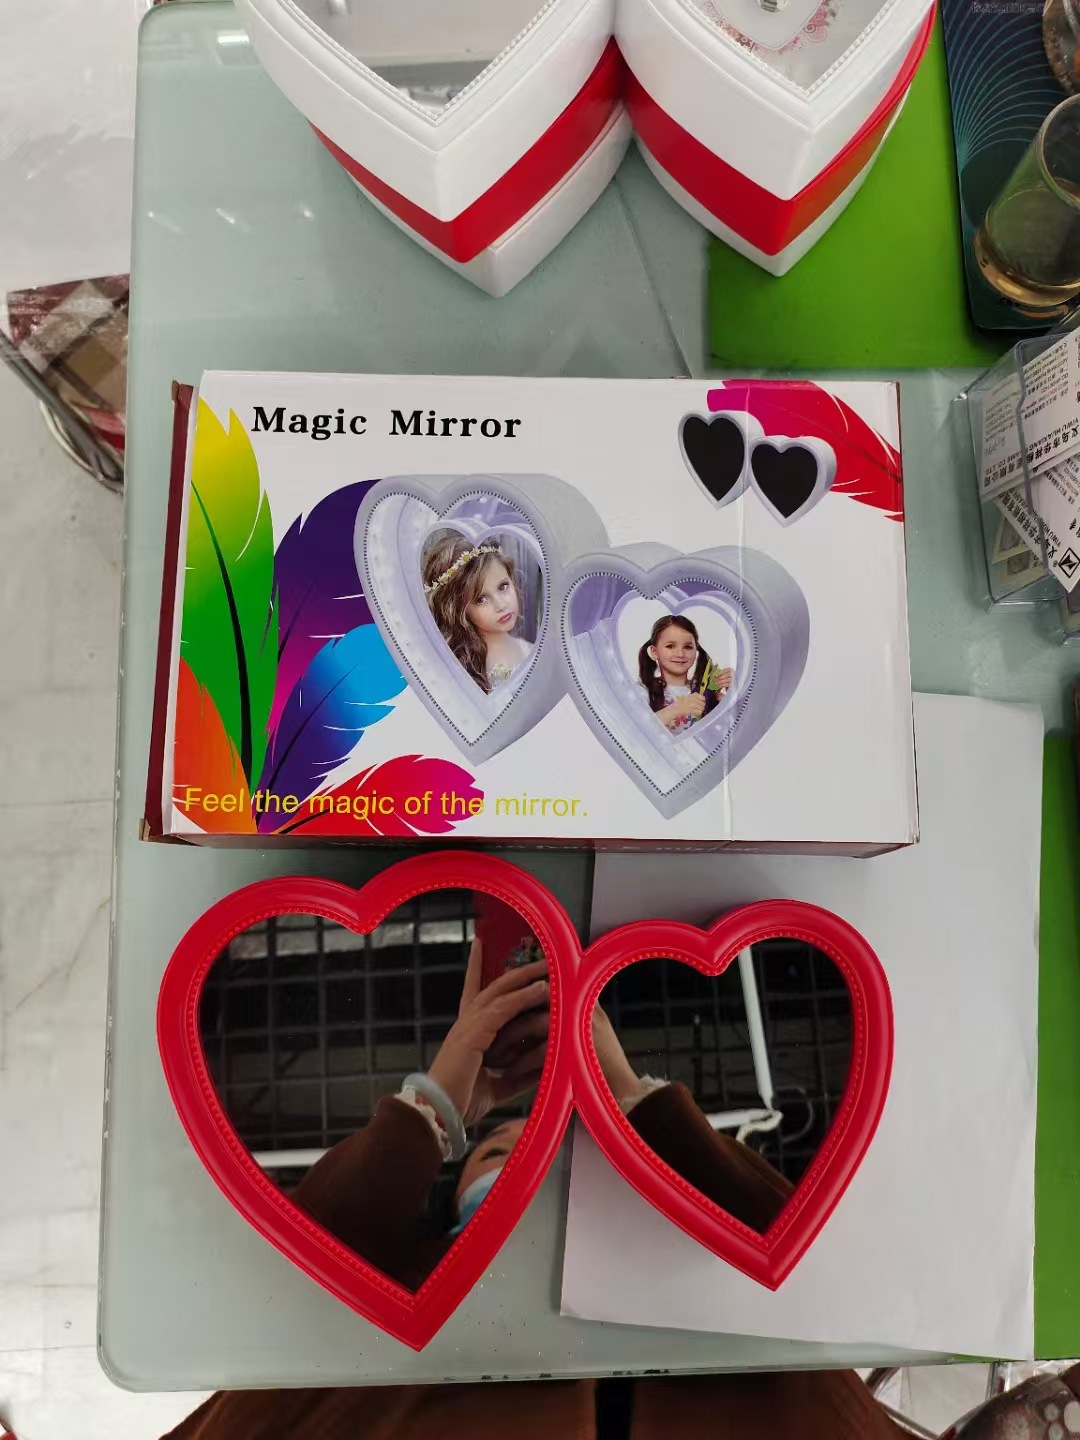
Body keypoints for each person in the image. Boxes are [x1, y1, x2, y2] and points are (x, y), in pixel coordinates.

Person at [163, 939, 906, 1440]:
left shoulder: (680, 1260)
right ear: (449, 1201)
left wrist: (627, 1098)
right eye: (496, 1148)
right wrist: (434, 1110)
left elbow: (801, 1260)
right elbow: (298, 1275)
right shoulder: (392, 1287)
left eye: (548, 1151)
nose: (528, 1157)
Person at [422, 533, 533, 694]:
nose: (501, 605)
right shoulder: (465, 673)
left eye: (503, 587)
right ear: (460, 610)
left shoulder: (529, 648)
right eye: (481, 599)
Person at [638, 614, 734, 733]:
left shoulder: (707, 692)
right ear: (654, 651)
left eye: (688, 647)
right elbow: (633, 731)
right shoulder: (642, 691)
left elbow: (734, 732)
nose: (680, 654)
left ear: (696, 650)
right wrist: (676, 709)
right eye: (670, 646)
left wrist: (733, 696)